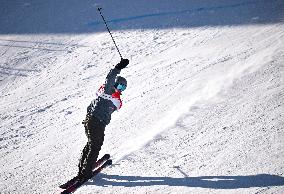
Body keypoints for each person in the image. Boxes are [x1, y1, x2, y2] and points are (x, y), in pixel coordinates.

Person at [77, 58, 129, 180]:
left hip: (98, 123)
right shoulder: (107, 91)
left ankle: (84, 167)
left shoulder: (115, 98)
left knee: (92, 144)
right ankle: (86, 171)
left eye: (123, 88)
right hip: (94, 121)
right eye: (120, 86)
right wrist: (118, 68)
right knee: (95, 146)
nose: (120, 89)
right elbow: (110, 78)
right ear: (115, 84)